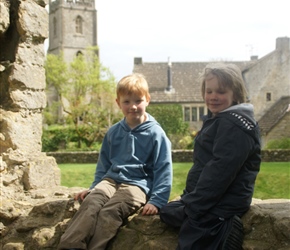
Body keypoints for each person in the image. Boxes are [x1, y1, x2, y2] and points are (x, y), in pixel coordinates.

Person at [58, 73, 173, 250]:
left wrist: (156, 201)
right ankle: (70, 246)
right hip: (110, 181)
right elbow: (103, 164)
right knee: (91, 203)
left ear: (147, 100)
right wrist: (95, 186)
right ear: (118, 103)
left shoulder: (156, 134)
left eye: (138, 101)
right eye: (126, 102)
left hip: (137, 186)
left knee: (110, 211)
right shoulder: (113, 132)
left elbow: (164, 169)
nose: (133, 106)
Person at [160, 63, 261, 250]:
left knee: (192, 236)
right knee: (168, 212)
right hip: (207, 196)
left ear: (236, 94)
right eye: (209, 91)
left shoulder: (234, 126)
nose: (213, 97)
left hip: (225, 200)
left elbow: (220, 172)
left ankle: (226, 229)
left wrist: (194, 205)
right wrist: (189, 198)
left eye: (221, 92)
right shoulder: (220, 119)